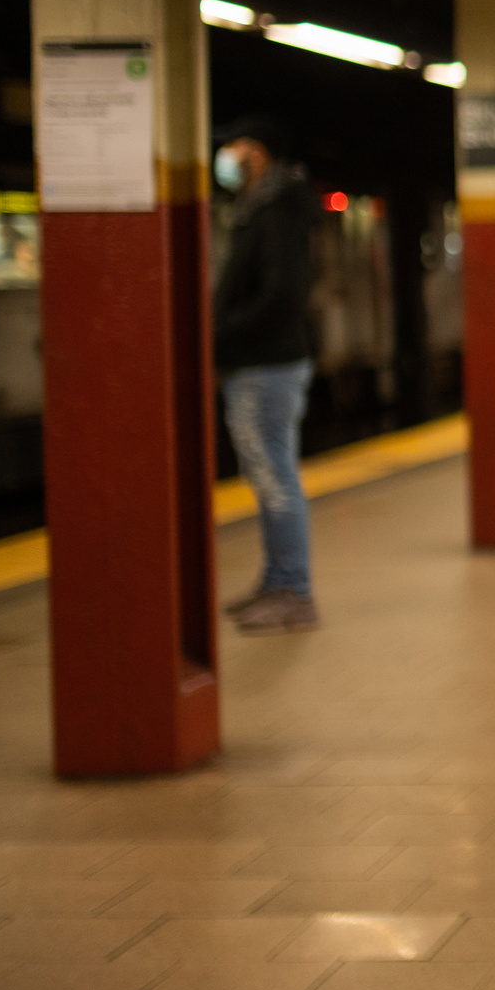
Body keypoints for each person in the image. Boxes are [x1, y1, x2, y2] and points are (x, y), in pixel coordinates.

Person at [210, 114, 322, 635]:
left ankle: (292, 592)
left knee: (275, 479)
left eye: (232, 147)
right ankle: (278, 579)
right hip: (263, 361)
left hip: (265, 362)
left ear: (256, 153)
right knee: (270, 476)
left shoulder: (274, 212)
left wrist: (224, 332)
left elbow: (282, 294)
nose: (225, 159)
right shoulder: (265, 207)